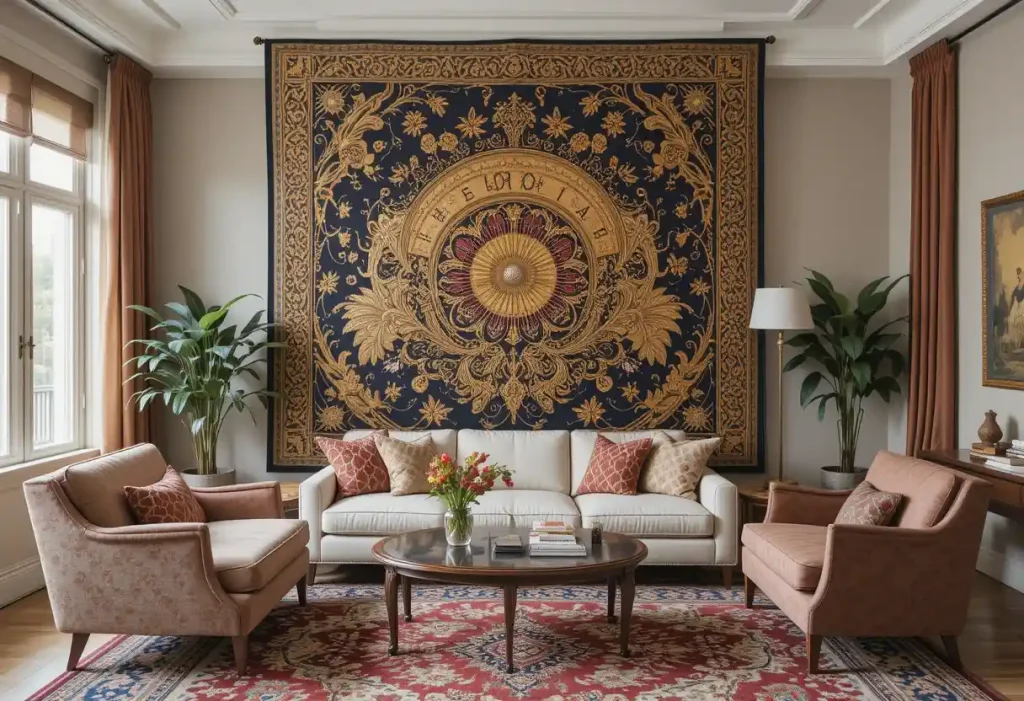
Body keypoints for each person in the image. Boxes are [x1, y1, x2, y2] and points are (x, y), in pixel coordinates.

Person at [1003, 267, 1024, 350]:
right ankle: (1019, 344)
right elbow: (1014, 297)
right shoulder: (1017, 287)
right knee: (1015, 324)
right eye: (1018, 274)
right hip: (1018, 308)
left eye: (1020, 274)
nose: (1019, 276)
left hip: (1022, 307)